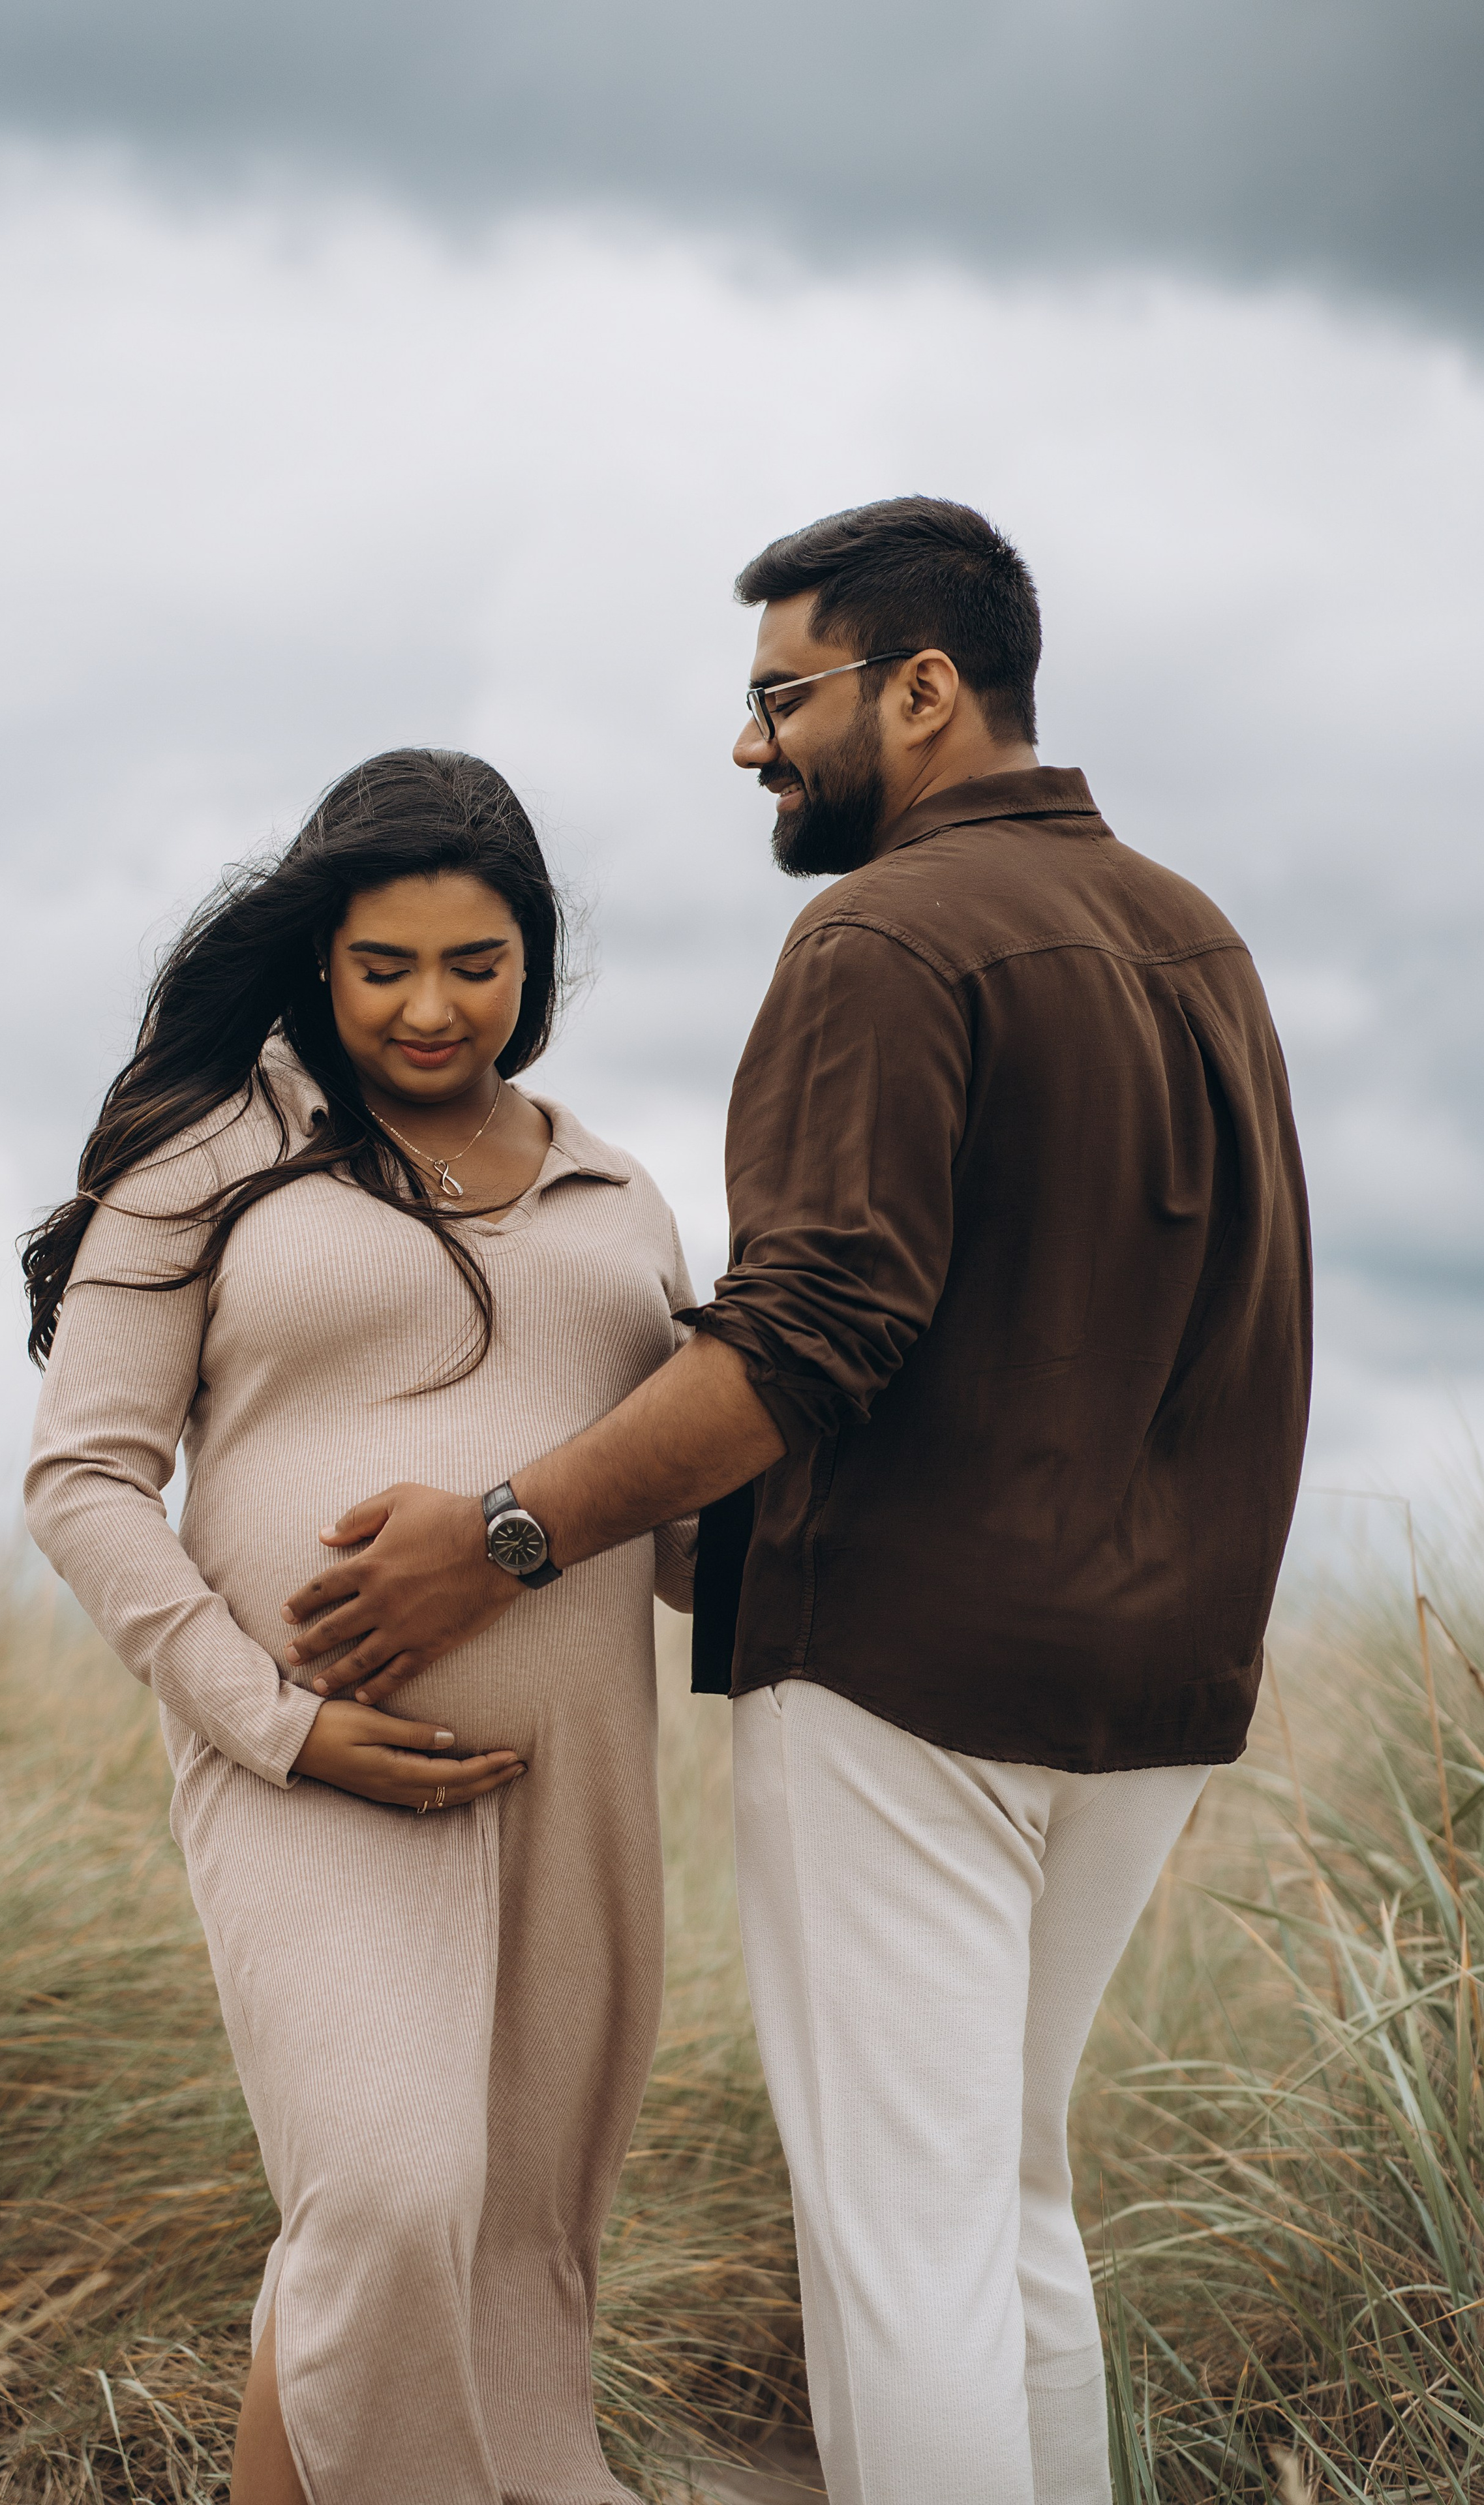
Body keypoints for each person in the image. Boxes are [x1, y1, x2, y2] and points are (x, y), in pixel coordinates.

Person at [277, 501, 1312, 2505]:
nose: (751, 744)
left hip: (910, 1678)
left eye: (784, 696)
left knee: (905, 2249)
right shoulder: (1200, 933)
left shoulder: (880, 937)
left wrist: (503, 1533)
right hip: (1164, 1686)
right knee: (1008, 2201)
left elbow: (813, 1330)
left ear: (921, 691)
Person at [22, 749, 695, 2505]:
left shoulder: (622, 1199)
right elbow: (83, 1478)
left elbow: (691, 1539)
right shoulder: (214, 1152)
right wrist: (275, 1721)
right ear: (320, 955)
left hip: (573, 1794)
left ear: (537, 960)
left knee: (488, 2242)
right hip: (302, 1775)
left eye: (476, 964)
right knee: (390, 2200)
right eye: (383, 965)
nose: (429, 1007)